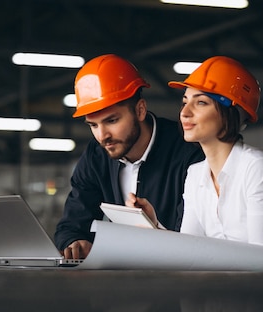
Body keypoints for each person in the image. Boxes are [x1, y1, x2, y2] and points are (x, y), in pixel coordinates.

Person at [130, 55, 263, 273]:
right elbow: (190, 248)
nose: (185, 112)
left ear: (229, 113)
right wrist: (155, 226)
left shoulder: (257, 168)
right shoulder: (195, 174)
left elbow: (262, 258)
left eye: (201, 102)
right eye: (185, 102)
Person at [54, 54, 205, 259]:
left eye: (112, 120)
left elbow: (193, 239)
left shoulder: (188, 153)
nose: (102, 136)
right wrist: (75, 242)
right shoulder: (96, 156)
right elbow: (71, 224)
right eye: (93, 125)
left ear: (140, 110)